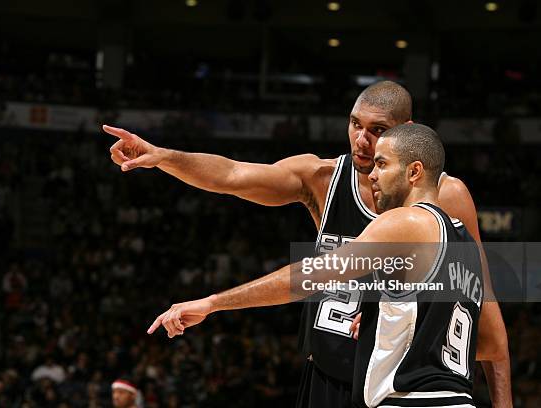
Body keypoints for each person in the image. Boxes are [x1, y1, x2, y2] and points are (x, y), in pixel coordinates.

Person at [103, 81, 511, 407]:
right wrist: (164, 156)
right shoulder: (322, 177)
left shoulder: (447, 196)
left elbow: (482, 304)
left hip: (398, 377)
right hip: (329, 374)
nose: (362, 140)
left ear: (406, 132)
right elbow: (231, 175)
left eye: (378, 131)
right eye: (355, 124)